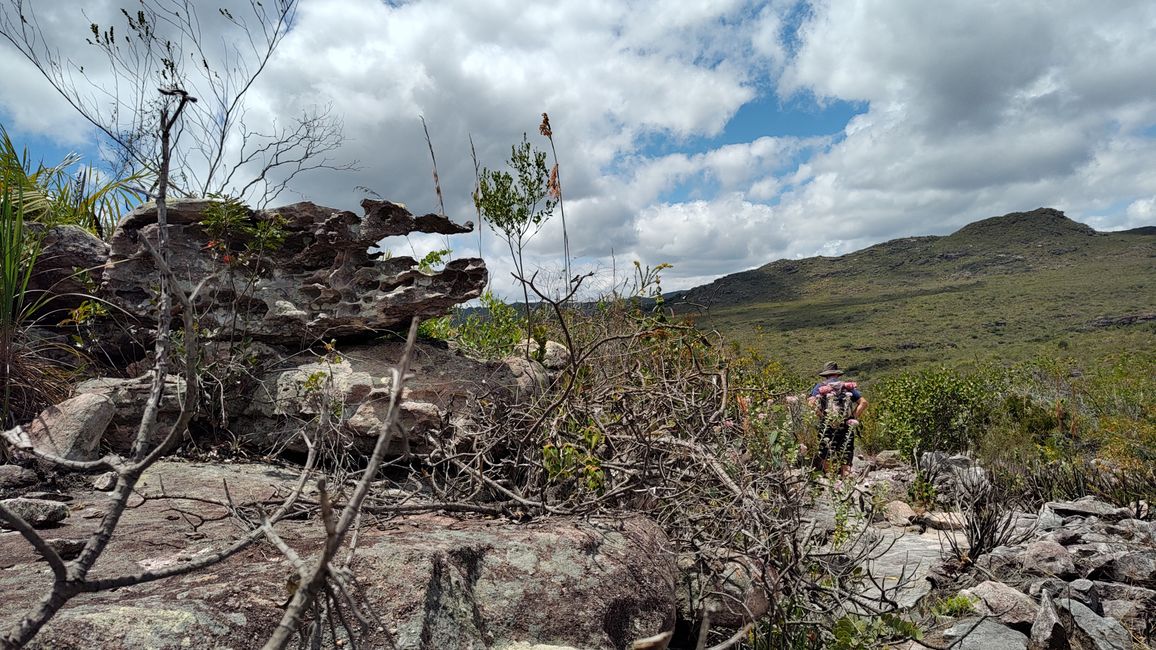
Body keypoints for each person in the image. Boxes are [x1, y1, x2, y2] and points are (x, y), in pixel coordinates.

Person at [808, 362, 867, 476]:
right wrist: (852, 417)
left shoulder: (820, 387)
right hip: (845, 425)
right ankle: (846, 480)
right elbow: (864, 403)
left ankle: (831, 481)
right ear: (837, 375)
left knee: (825, 452)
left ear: (825, 375)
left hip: (828, 425)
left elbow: (811, 403)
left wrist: (822, 416)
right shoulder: (846, 386)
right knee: (846, 452)